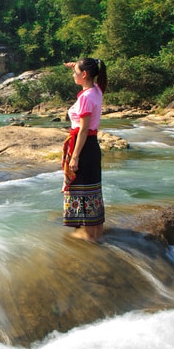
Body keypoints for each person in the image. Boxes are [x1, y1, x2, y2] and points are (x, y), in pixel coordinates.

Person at [61, 58, 107, 242]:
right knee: (92, 191)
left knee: (82, 191)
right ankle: (97, 234)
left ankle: (88, 237)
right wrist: (77, 67)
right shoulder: (97, 90)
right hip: (92, 147)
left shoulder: (87, 98)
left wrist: (75, 157)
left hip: (84, 147)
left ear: (85, 74)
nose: (73, 75)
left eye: (76, 72)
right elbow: (87, 77)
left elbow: (83, 130)